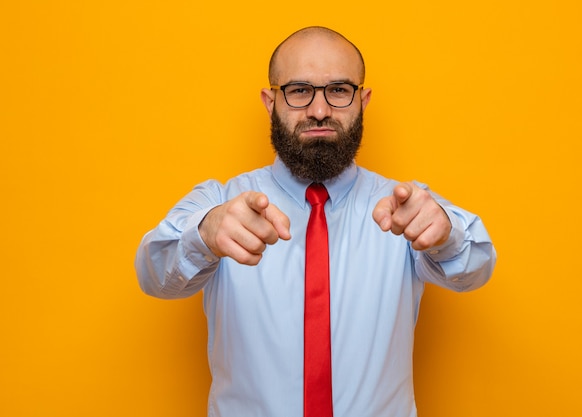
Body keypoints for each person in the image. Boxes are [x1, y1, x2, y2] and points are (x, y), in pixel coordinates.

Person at [135, 26, 496, 417]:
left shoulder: (405, 207)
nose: (320, 110)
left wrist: (445, 233)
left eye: (338, 90)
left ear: (363, 100)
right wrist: (204, 235)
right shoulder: (220, 203)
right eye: (299, 90)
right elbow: (154, 275)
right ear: (270, 102)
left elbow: (476, 268)